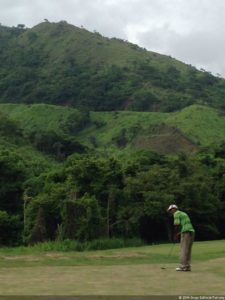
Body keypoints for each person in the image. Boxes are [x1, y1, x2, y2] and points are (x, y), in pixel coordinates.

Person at [167, 204, 195, 271]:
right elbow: (184, 224)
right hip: (191, 231)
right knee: (188, 250)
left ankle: (182, 266)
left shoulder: (176, 213)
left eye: (170, 210)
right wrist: (179, 233)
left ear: (174, 209)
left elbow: (176, 225)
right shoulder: (183, 213)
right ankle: (187, 266)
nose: (170, 212)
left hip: (186, 232)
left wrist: (175, 235)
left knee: (183, 249)